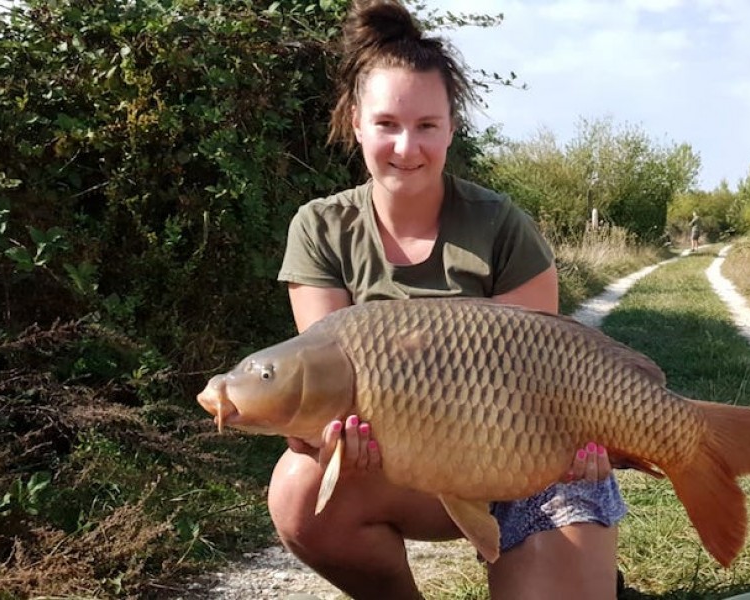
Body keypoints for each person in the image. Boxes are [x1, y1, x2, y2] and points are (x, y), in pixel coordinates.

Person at [268, 2, 627, 599]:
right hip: (397, 467)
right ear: (356, 122)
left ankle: (569, 561)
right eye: (387, 124)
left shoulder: (500, 224)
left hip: (526, 462)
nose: (407, 147)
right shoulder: (321, 228)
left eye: (427, 126)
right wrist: (324, 436)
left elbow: (552, 367)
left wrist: (582, 445)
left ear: (451, 127)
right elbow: (319, 391)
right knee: (298, 487)